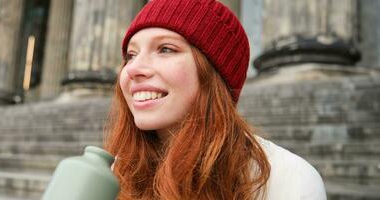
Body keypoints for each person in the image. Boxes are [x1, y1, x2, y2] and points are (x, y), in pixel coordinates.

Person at [104, 0, 326, 199]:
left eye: (165, 49)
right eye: (130, 55)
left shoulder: (290, 180)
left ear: (213, 74)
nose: (133, 69)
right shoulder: (113, 176)